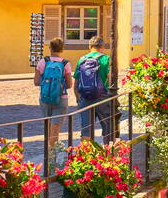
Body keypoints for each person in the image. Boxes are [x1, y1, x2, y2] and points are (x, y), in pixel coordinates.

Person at [34, 37, 73, 170]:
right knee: (55, 130)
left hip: (45, 99)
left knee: (47, 127)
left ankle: (47, 157)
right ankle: (52, 161)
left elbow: (36, 82)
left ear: (50, 48)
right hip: (61, 99)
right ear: (62, 49)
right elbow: (69, 85)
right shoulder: (65, 63)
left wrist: (48, 84)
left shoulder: (42, 62)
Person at [74, 35, 113, 142]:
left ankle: (85, 156)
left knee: (86, 130)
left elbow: (76, 83)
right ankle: (107, 154)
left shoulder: (82, 59)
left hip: (85, 98)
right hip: (102, 97)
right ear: (102, 46)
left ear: (90, 46)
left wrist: (78, 99)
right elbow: (110, 80)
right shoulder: (106, 59)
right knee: (108, 128)